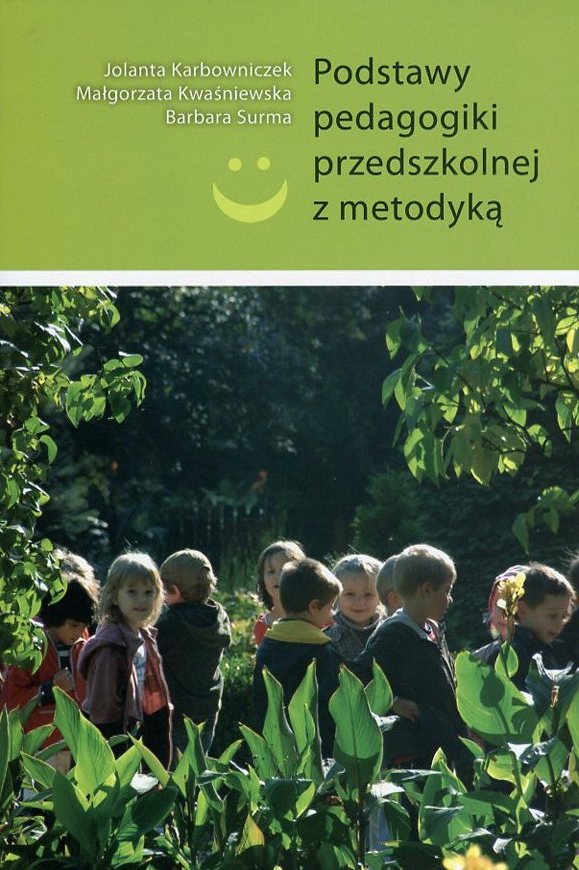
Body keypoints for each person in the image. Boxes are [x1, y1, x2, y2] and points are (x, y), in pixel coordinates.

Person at [354, 543, 471, 780]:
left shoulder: (431, 631)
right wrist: (393, 702)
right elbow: (358, 676)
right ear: (426, 590)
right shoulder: (393, 635)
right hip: (416, 753)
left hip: (445, 743)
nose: (449, 599)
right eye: (446, 590)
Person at [78, 552, 172, 767]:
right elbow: (104, 715)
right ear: (114, 596)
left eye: (148, 592)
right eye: (132, 592)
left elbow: (152, 701)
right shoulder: (109, 649)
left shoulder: (144, 638)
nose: (141, 600)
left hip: (136, 738)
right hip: (111, 750)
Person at [1, 569, 98, 771]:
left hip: (76, 745)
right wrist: (50, 687)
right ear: (56, 617)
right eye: (73, 625)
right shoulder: (32, 647)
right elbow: (10, 702)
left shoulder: (82, 645)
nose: (79, 632)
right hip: (39, 749)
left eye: (83, 626)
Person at [253, 558, 342, 756]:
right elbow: (330, 709)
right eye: (330, 607)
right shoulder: (322, 652)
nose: (332, 614)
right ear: (314, 607)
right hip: (315, 753)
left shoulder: (268, 645)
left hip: (275, 750)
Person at [156, 549, 231, 755]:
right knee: (199, 760)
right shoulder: (218, 617)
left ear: (174, 591)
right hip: (209, 706)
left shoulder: (170, 624)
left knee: (173, 767)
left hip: (178, 711)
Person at [474, 563, 575, 689]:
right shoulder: (509, 655)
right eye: (552, 615)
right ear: (522, 610)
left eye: (564, 616)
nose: (560, 623)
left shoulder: (551, 649)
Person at [325, 554, 384, 660]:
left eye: (368, 594)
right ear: (336, 596)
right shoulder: (327, 640)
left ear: (380, 596)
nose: (360, 602)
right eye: (350, 594)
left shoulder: (390, 634)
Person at [253, 539, 306, 646]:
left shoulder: (317, 617)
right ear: (263, 579)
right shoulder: (263, 625)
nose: (277, 577)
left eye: (284, 570)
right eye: (271, 571)